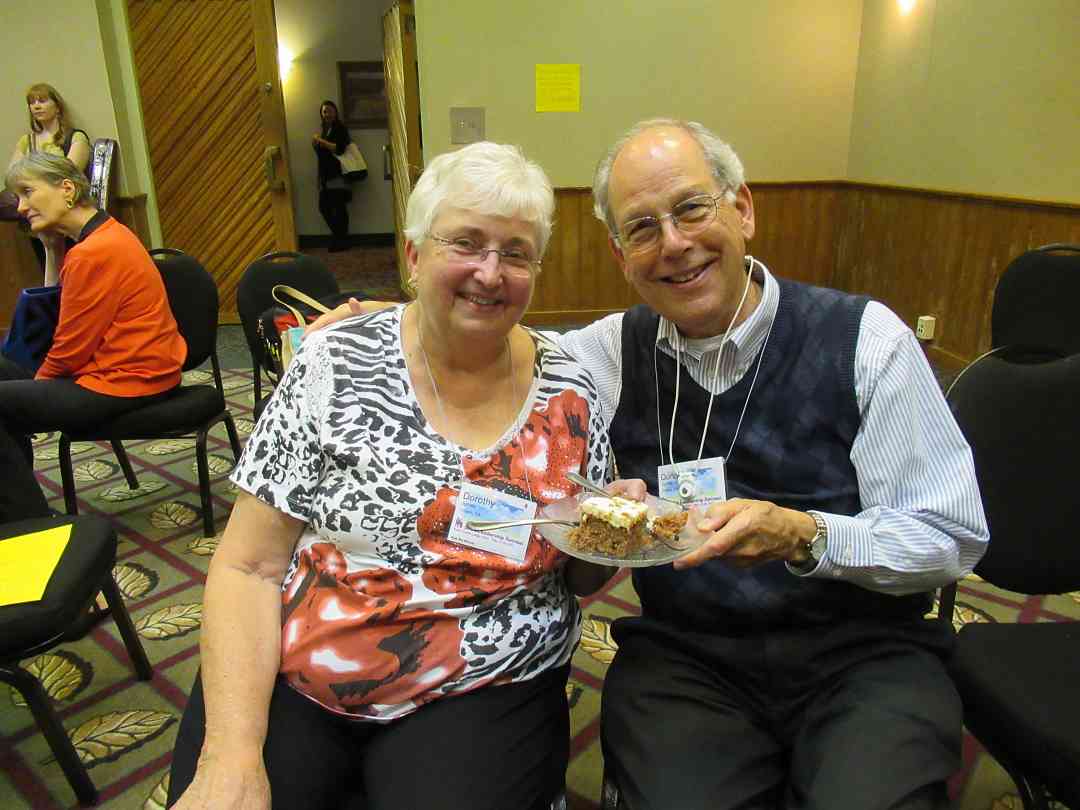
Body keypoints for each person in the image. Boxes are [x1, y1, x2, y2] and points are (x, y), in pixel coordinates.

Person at [307, 119, 990, 810]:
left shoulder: (865, 342)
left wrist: (807, 535)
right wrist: (389, 323)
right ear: (619, 253)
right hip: (689, 659)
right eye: (641, 228)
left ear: (743, 208)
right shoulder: (603, 355)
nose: (674, 244)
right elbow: (490, 338)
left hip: (862, 654)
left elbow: (951, 535)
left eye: (692, 208)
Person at [167, 141, 624, 810]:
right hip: (305, 663)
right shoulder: (332, 362)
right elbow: (247, 567)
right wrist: (232, 752)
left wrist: (612, 531)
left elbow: (579, 576)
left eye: (516, 253)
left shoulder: (571, 390)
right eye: (465, 243)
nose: (490, 273)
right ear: (413, 257)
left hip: (482, 678)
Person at [0, 153, 187, 497]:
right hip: (135, 371)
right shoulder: (105, 234)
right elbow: (56, 310)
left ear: (67, 189)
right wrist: (53, 251)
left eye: (28, 192)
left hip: (126, 381)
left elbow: (69, 349)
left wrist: (39, 390)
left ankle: (24, 512)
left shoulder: (93, 252)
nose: (22, 207)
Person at [8, 83, 92, 266]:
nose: (36, 106)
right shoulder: (26, 141)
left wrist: (32, 177)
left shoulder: (75, 137)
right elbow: (13, 177)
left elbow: (68, 172)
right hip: (38, 214)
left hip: (68, 210)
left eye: (42, 100)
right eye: (32, 102)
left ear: (57, 106)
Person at [312, 99, 352, 252]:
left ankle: (341, 240)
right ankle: (340, 238)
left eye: (329, 110)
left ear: (335, 112)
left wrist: (321, 141)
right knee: (324, 207)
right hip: (326, 176)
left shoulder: (340, 128)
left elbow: (340, 149)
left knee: (339, 208)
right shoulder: (323, 130)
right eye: (324, 111)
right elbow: (321, 156)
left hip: (338, 175)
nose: (326, 114)